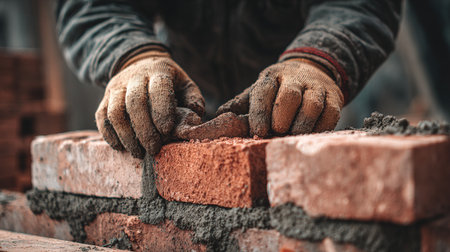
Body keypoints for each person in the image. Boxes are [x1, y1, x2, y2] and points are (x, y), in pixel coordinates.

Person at [56, 0, 402, 158]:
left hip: (307, 99)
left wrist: (320, 58)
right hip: (182, 100)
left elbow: (360, 4)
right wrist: (132, 55)